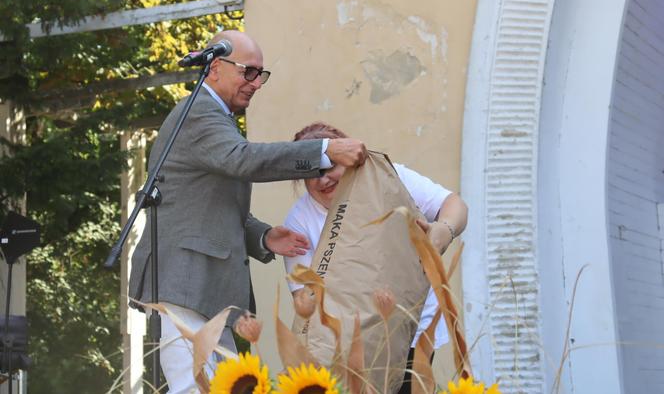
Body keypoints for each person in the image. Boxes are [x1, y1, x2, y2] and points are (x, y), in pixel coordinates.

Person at [128, 32, 367, 393]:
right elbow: (242, 161)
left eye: (261, 74)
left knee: (220, 387)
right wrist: (325, 151)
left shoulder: (214, 116)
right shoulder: (199, 112)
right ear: (214, 68)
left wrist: (263, 236)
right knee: (193, 388)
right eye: (248, 72)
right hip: (186, 282)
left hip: (202, 286)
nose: (256, 83)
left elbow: (208, 208)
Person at [282, 122, 468, 394]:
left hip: (412, 334)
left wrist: (444, 230)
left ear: (351, 158)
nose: (323, 180)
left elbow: (454, 205)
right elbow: (303, 298)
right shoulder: (299, 221)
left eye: (330, 166)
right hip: (344, 349)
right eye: (312, 172)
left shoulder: (390, 179)